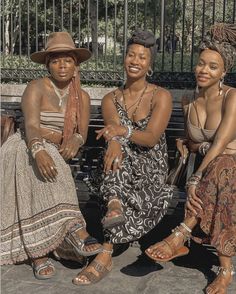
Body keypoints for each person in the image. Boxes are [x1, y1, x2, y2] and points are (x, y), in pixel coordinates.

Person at [72, 29, 174, 285]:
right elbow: (112, 128)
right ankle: (114, 208)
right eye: (131, 55)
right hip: (120, 166)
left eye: (142, 57)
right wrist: (116, 140)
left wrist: (121, 134)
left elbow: (150, 138)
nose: (135, 61)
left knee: (119, 149)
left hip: (151, 167)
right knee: (117, 152)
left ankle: (106, 252)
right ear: (124, 58)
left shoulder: (161, 96)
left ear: (150, 64)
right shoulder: (111, 98)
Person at [0, 32, 102, 279]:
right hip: (25, 145)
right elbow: (31, 126)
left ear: (76, 64)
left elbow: (82, 132)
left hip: (55, 150)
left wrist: (74, 140)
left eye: (67, 60)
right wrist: (39, 148)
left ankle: (52, 243)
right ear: (47, 64)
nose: (62, 65)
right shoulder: (36, 87)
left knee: (52, 161)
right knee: (38, 165)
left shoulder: (83, 97)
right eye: (55, 60)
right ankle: (49, 247)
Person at [145, 23, 236, 294]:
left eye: (212, 66)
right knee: (221, 175)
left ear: (223, 72)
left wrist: (195, 178)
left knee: (224, 168)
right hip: (216, 176)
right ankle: (224, 269)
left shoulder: (233, 98)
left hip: (227, 168)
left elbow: (220, 143)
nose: (203, 70)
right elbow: (195, 142)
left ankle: (182, 233)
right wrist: (184, 143)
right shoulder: (189, 101)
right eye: (200, 64)